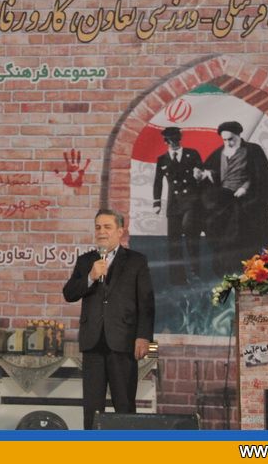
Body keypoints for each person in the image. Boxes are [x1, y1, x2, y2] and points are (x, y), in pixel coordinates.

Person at [62, 209, 155, 429]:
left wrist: (144, 337)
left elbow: (146, 303)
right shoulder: (86, 261)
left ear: (120, 231)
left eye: (107, 227)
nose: (101, 232)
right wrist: (90, 277)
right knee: (92, 408)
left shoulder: (136, 261)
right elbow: (69, 293)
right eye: (98, 227)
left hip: (124, 342)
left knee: (124, 405)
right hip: (92, 343)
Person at [194, 121, 268, 276]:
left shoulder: (253, 150)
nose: (228, 143)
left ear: (239, 135)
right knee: (223, 236)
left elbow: (260, 176)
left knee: (247, 238)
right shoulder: (218, 153)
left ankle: (252, 272)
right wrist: (205, 174)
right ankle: (226, 272)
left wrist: (245, 188)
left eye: (231, 139)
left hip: (247, 202)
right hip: (224, 204)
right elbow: (211, 175)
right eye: (225, 140)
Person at [152, 127, 203, 285]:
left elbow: (201, 171)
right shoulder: (162, 159)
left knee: (190, 233)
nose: (173, 144)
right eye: (170, 141)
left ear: (179, 139)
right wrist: (157, 202)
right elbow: (158, 182)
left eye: (175, 140)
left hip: (192, 201)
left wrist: (199, 173)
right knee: (173, 241)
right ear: (165, 142)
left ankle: (195, 273)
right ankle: (177, 278)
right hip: (173, 203)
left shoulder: (192, 154)